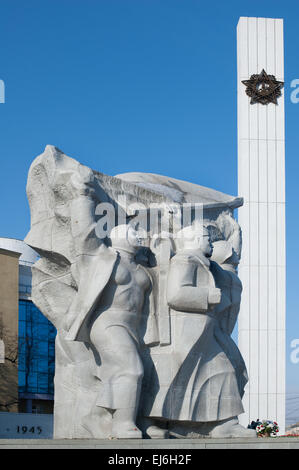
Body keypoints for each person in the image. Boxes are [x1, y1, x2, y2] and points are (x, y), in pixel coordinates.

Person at [64, 224, 155, 438]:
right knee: (131, 369)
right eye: (133, 232)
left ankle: (96, 414)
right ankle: (123, 423)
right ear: (119, 236)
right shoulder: (106, 258)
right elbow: (85, 242)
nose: (138, 235)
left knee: (124, 371)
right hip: (108, 321)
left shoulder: (141, 267)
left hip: (134, 327)